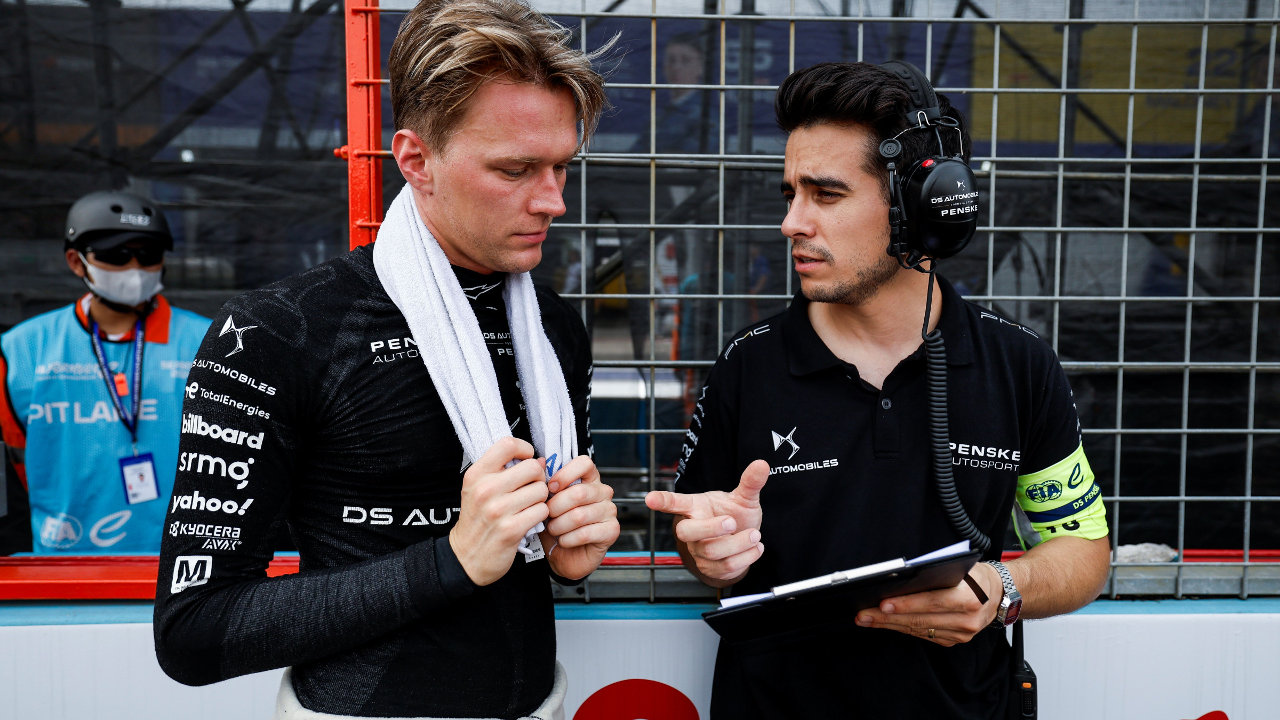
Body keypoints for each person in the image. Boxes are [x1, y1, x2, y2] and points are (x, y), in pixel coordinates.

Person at [152, 1, 620, 718]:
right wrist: (450, 561)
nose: (553, 201)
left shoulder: (553, 326)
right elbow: (193, 632)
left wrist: (569, 543)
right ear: (415, 161)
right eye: (516, 169)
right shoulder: (282, 330)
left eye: (561, 166)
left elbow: (530, 550)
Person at [645, 61, 1111, 719]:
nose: (792, 223)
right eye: (790, 194)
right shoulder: (748, 366)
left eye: (826, 195)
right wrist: (712, 552)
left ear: (920, 206)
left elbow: (1084, 549)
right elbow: (699, 540)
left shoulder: (1018, 365)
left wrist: (1002, 587)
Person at [0, 190, 210, 554]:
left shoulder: (208, 341)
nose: (135, 268)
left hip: (186, 560)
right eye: (116, 254)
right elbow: (16, 468)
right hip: (62, 562)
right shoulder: (21, 349)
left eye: (149, 255)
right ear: (76, 261)